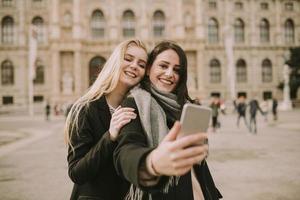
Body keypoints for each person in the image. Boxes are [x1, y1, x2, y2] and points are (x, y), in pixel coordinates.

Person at [114, 41, 222, 200]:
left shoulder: (185, 105)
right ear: (149, 68)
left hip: (197, 188)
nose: (170, 74)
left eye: (177, 70)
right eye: (163, 66)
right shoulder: (135, 101)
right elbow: (125, 151)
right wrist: (152, 162)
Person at [64, 39, 148, 200]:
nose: (135, 66)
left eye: (142, 64)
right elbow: (77, 173)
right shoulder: (86, 108)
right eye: (128, 59)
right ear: (116, 61)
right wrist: (110, 136)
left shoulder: (141, 108)